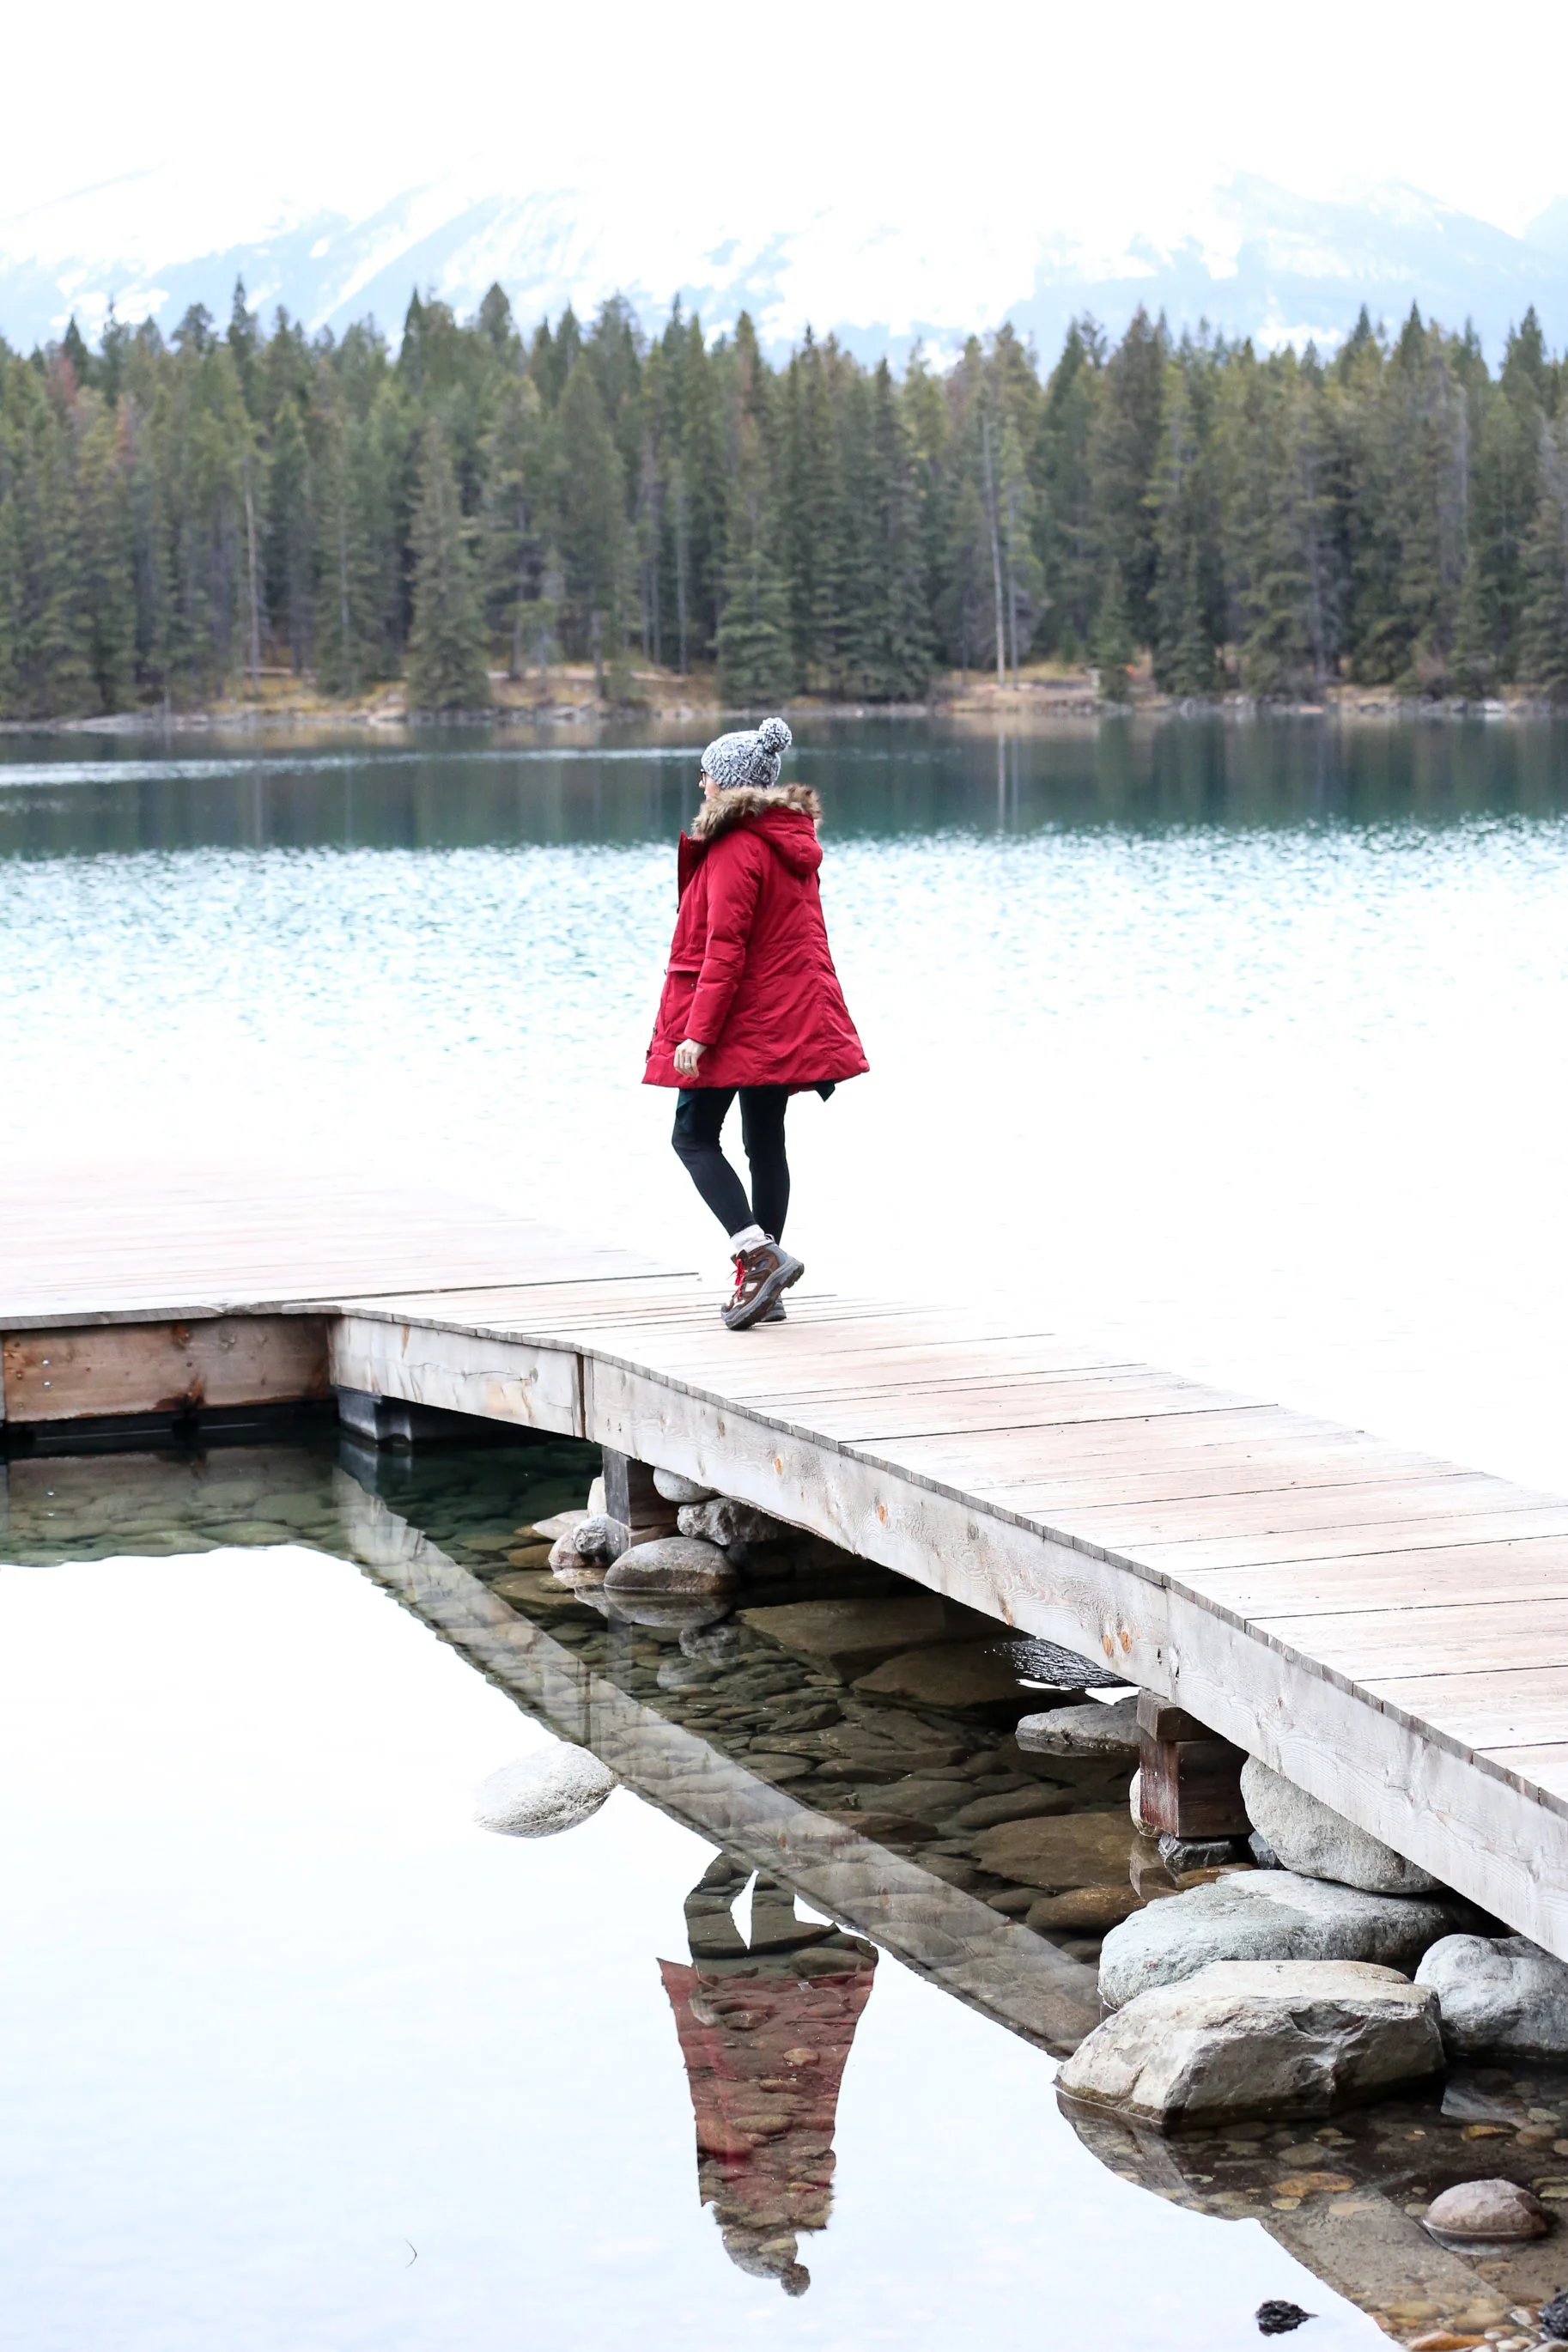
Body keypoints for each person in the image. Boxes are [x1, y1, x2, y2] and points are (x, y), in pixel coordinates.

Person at [643, 716, 867, 1329]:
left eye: (707, 773)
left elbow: (725, 948)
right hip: (780, 1018)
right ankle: (767, 1282)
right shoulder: (787, 840)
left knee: (691, 1137)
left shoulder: (736, 846)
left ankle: (756, 1253)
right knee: (765, 1143)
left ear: (730, 782)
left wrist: (698, 1034)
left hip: (737, 1020)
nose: (701, 783)